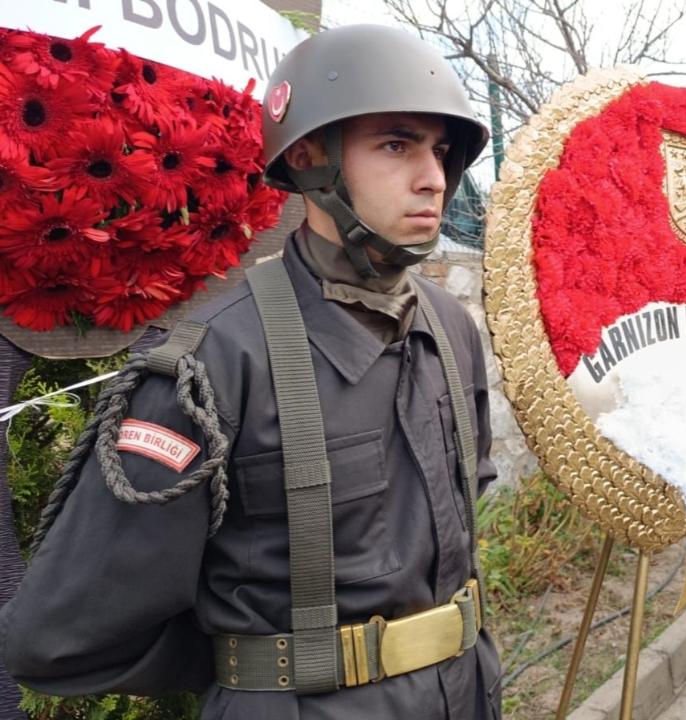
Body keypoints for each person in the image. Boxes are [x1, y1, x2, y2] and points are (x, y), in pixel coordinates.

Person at [0, 25, 501, 719]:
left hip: (467, 695)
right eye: (396, 145)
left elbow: (459, 517)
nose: (434, 179)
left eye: (440, 151)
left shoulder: (450, 328)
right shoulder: (213, 364)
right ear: (308, 157)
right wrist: (255, 665)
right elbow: (57, 638)